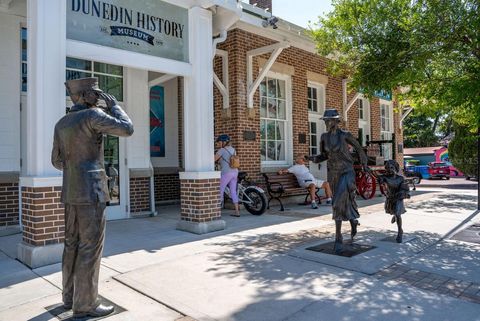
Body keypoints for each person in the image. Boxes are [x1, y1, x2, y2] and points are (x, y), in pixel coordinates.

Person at [51, 77, 134, 319]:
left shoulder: (61, 123)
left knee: (71, 244)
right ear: (85, 95)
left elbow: (56, 161)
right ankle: (86, 304)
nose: (99, 97)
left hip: (71, 190)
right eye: (96, 93)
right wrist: (115, 106)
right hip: (92, 190)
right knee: (90, 246)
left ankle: (70, 298)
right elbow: (127, 128)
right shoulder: (92, 116)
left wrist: (75, 167)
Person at [310, 109, 368, 254]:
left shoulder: (345, 135)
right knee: (341, 203)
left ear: (336, 121)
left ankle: (338, 238)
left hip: (347, 172)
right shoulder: (324, 137)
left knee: (337, 202)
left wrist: (365, 165)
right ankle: (353, 221)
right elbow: (323, 155)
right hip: (333, 174)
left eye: (329, 120)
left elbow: (360, 150)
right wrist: (312, 158)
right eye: (325, 120)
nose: (326, 123)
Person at [378, 160, 410, 243]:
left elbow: (405, 188)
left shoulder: (400, 178)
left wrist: (404, 193)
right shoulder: (385, 178)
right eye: (388, 168)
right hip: (390, 198)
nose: (390, 170)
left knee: (397, 213)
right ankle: (395, 216)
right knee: (395, 212)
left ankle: (400, 231)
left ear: (395, 168)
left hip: (398, 198)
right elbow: (379, 179)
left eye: (391, 167)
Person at [214, 134, 240, 217]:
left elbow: (213, 159)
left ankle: (217, 212)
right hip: (235, 172)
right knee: (233, 191)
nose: (218, 144)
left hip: (226, 173)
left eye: (219, 142)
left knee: (220, 190)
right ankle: (237, 211)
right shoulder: (233, 150)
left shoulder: (222, 150)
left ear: (223, 142)